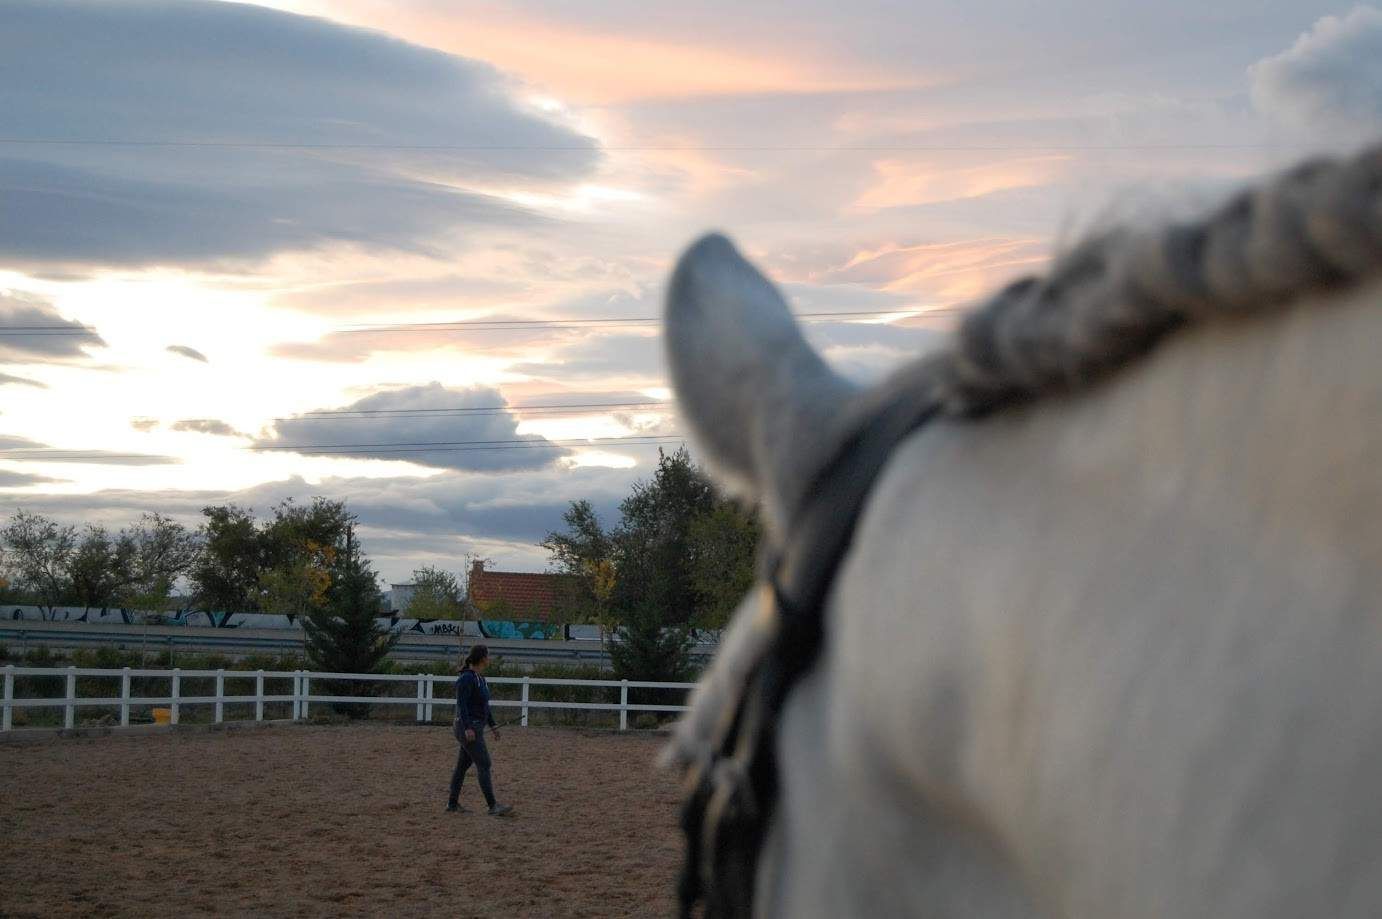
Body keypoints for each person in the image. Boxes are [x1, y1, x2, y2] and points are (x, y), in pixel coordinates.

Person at [447, 644, 513, 816]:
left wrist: (492, 725)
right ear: (482, 658)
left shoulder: (480, 679)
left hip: (475, 725)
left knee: (462, 765)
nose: (489, 659)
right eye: (487, 656)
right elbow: (462, 706)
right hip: (468, 727)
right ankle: (493, 806)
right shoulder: (467, 679)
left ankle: (452, 804)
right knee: (484, 763)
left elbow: (484, 706)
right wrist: (468, 727)